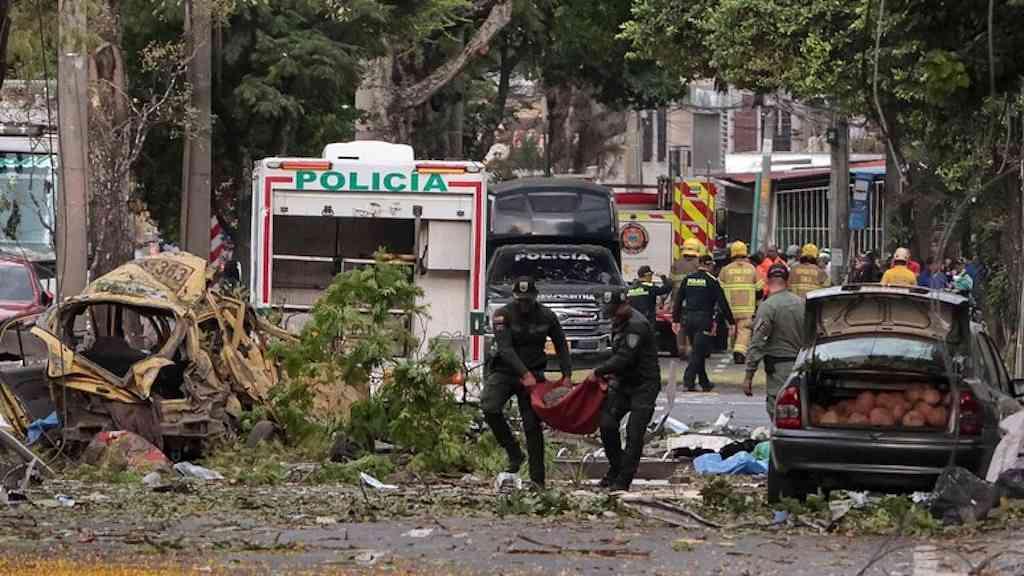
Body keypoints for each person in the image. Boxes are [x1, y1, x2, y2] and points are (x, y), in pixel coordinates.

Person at [482, 276, 572, 489]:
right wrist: (524, 374)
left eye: (528, 300)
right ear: (514, 297)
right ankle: (514, 452)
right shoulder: (502, 314)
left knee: (532, 426)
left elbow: (561, 344)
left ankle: (538, 480)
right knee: (489, 407)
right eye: (520, 300)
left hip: (534, 374)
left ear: (535, 297)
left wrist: (566, 375)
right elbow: (505, 349)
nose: (524, 305)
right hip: (505, 372)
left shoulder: (547, 316)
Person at [593, 290, 661, 492]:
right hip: (622, 383)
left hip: (644, 385)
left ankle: (623, 480)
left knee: (634, 433)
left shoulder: (636, 325)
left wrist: (598, 371)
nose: (613, 315)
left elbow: (624, 357)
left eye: (615, 310)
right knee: (606, 424)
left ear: (625, 305)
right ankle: (616, 468)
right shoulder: (618, 321)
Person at [743, 263, 805, 417]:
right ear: (787, 280)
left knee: (779, 410)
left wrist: (749, 375)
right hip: (802, 366)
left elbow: (757, 342)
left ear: (767, 280)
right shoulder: (801, 304)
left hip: (779, 369)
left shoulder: (768, 306)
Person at [673, 254, 735, 391]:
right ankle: (688, 381)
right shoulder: (711, 280)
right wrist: (731, 322)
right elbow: (722, 303)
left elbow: (678, 300)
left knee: (698, 351)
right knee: (697, 353)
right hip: (703, 319)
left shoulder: (688, 279)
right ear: (710, 265)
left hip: (688, 319)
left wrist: (675, 319)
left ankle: (704, 382)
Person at [718, 241, 763, 365]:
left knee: (732, 328)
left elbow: (718, 290)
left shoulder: (725, 270)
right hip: (747, 308)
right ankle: (739, 352)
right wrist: (757, 304)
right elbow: (760, 289)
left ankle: (734, 348)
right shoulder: (752, 269)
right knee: (744, 330)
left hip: (730, 308)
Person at [671, 238, 702, 359]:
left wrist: (665, 301)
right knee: (691, 326)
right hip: (693, 301)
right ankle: (690, 349)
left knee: (680, 326)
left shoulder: (676, 264)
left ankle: (681, 349)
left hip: (678, 301)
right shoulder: (698, 264)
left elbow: (671, 283)